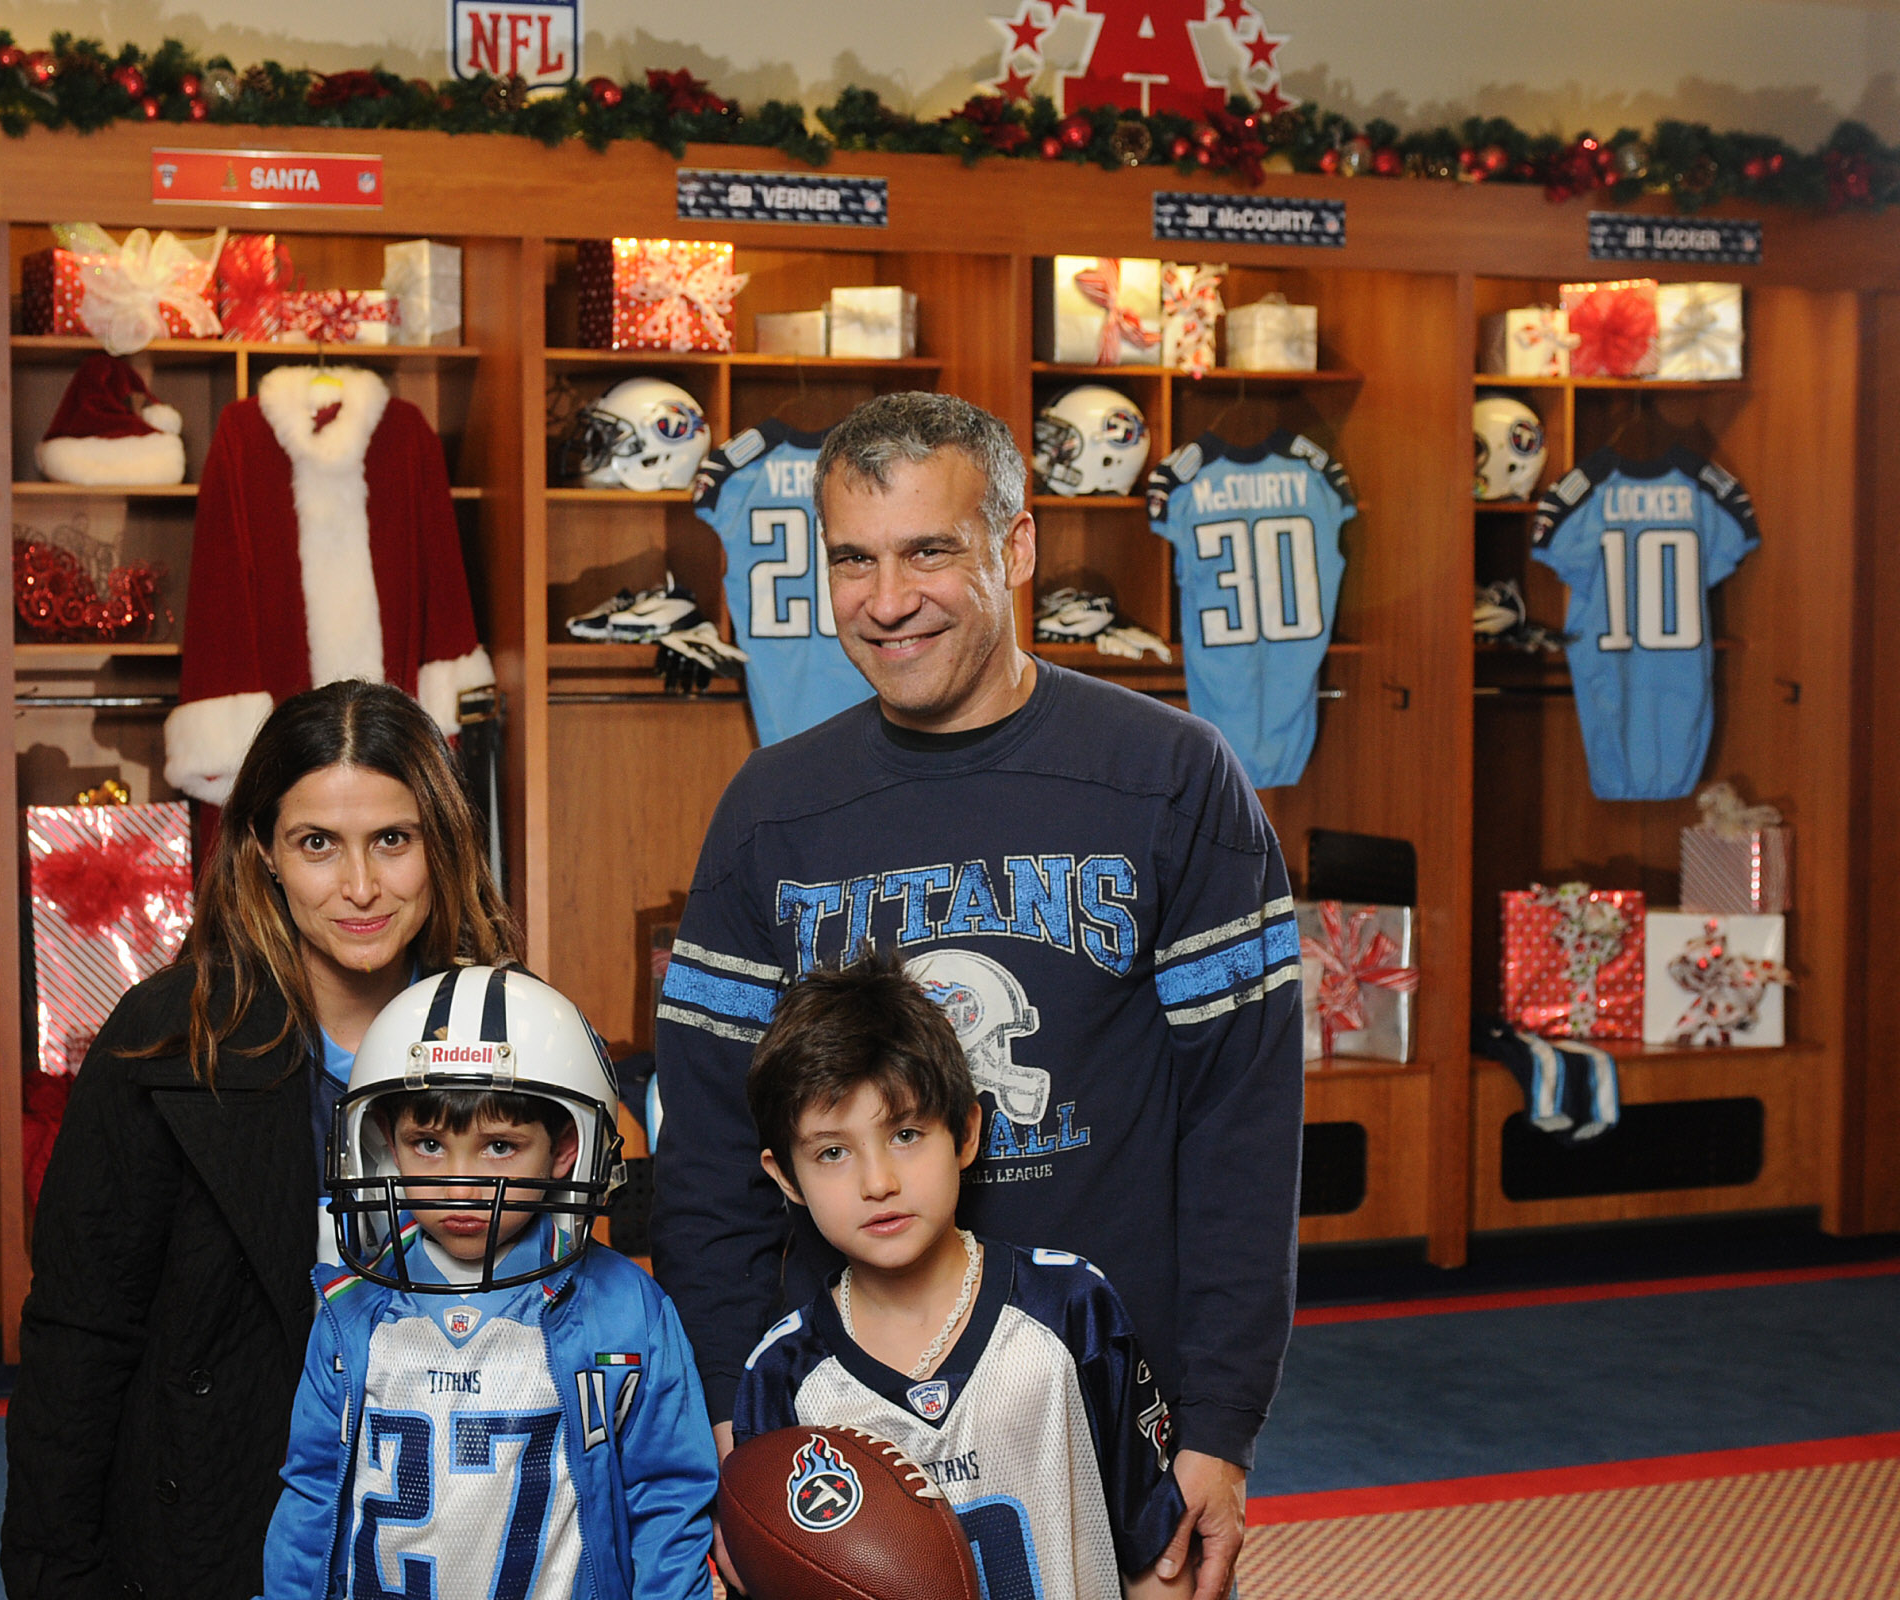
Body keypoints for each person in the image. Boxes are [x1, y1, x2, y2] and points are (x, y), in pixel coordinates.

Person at [652, 392, 1302, 1600]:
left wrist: (1221, 1422)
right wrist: (733, 1412)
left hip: (1110, 1400)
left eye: (927, 551)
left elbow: (1242, 1127)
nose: (886, 600)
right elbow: (707, 1147)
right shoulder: (771, 812)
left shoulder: (1172, 777)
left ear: (1016, 546)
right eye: (854, 559)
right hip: (842, 1418)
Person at [2, 680, 518, 1600]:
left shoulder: (512, 1034)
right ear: (264, 853)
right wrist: (58, 1576)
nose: (360, 887)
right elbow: (79, 1335)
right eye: (318, 844)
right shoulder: (164, 1040)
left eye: (392, 841)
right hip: (219, 1524)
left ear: (441, 845)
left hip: (454, 1518)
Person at [735, 952, 1191, 1600]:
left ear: (967, 1131)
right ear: (786, 1177)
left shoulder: (1071, 1310)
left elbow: (1156, 1557)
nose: (877, 1182)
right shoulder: (782, 1375)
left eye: (906, 1134)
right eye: (833, 1152)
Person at [262, 965, 718, 1600]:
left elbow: (667, 1499)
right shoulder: (351, 1310)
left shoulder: (624, 1311)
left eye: (499, 1146)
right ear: (386, 1144)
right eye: (428, 1144)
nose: (460, 1184)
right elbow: (312, 1494)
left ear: (565, 1151)